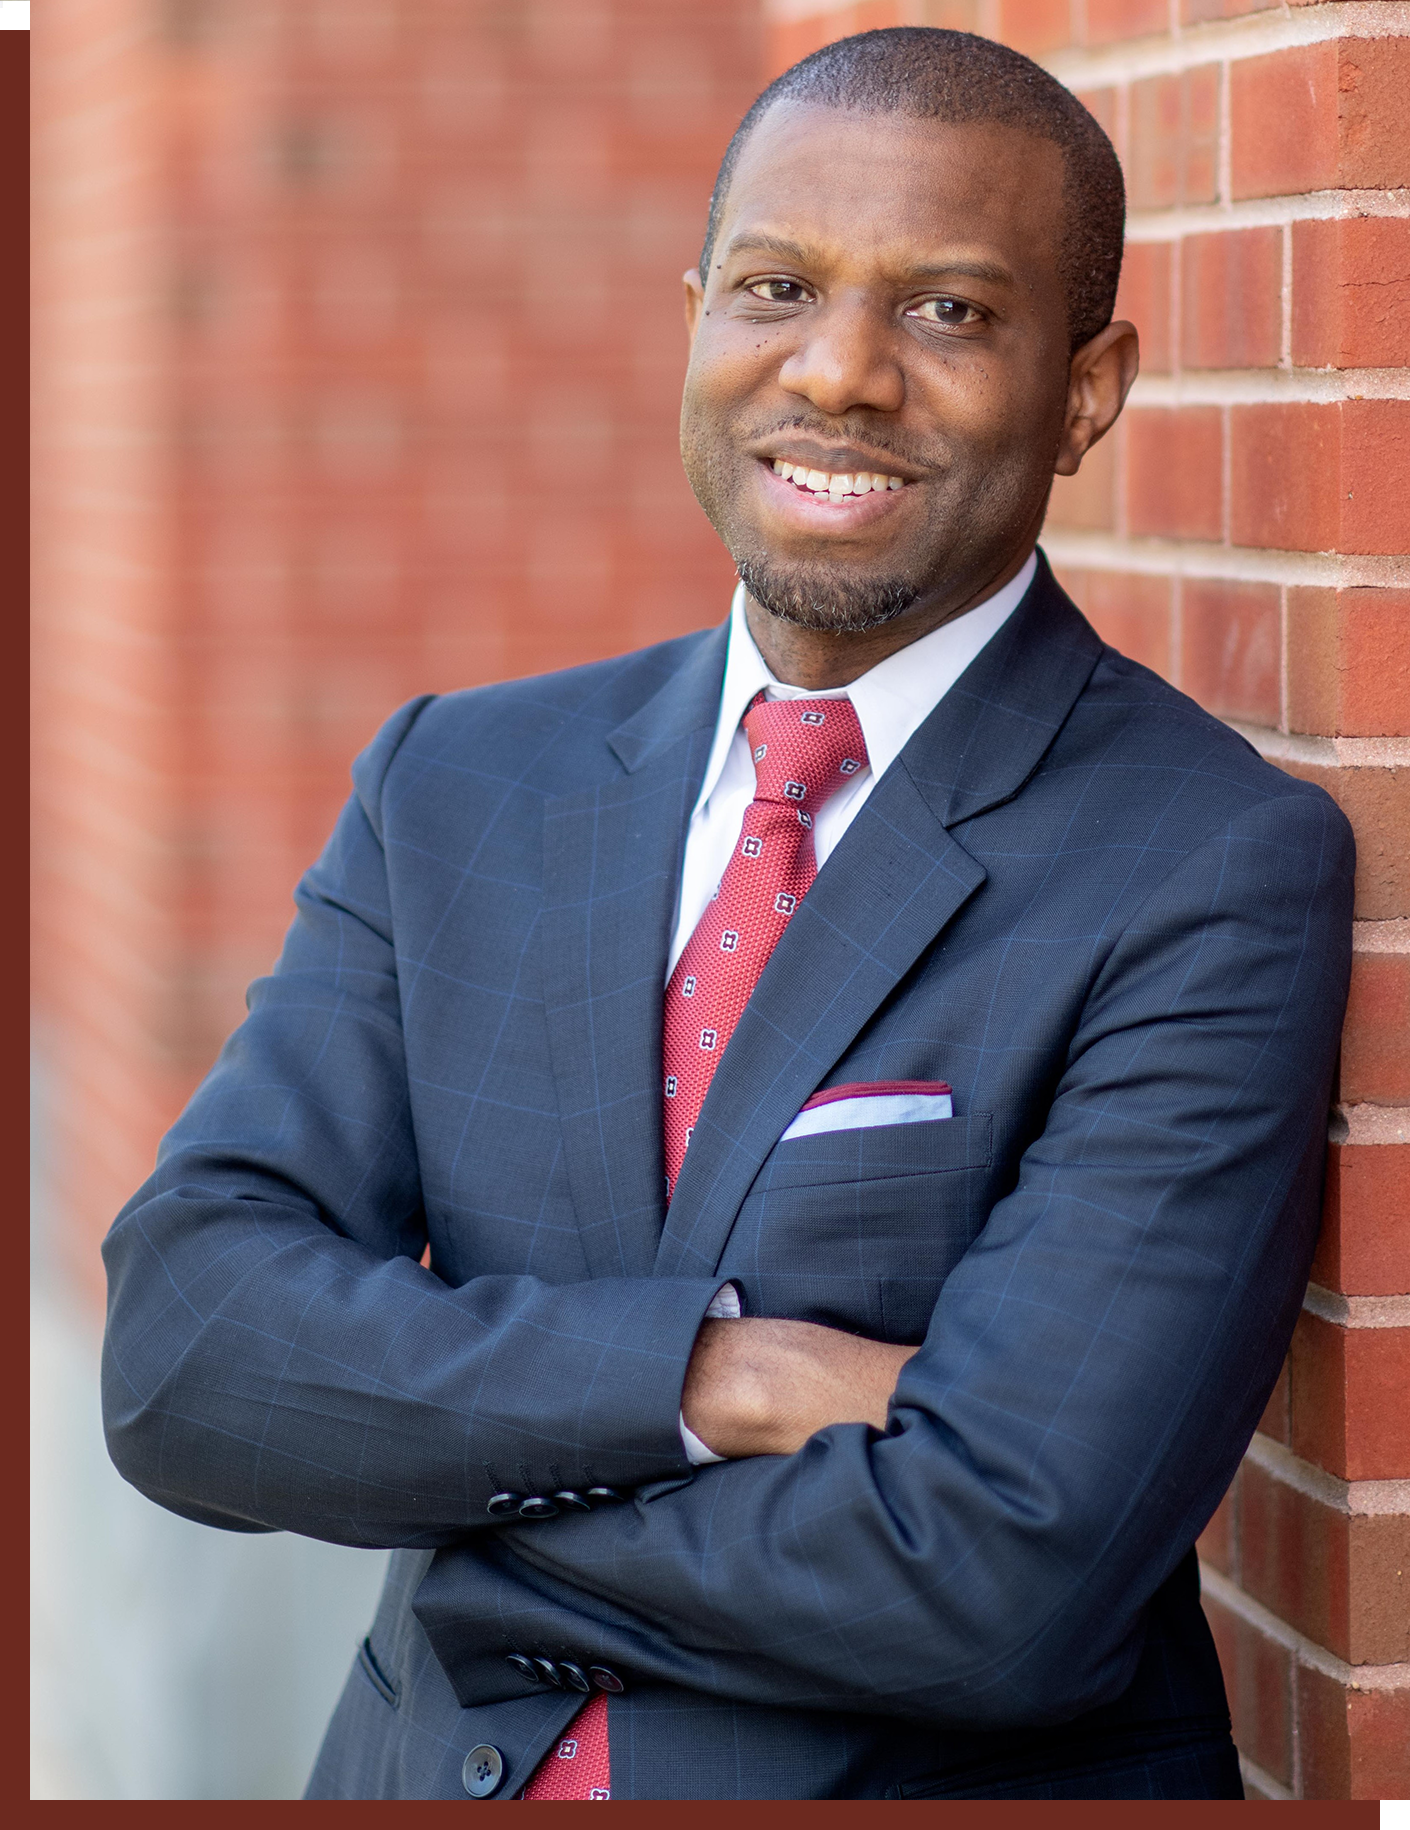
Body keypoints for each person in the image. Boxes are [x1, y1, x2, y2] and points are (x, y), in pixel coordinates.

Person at [101, 28, 1354, 1802]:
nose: (837, 371)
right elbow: (185, 1358)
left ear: (1087, 387)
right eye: (777, 287)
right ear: (694, 314)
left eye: (948, 314)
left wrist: (445, 1501)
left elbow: (1003, 1581)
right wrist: (722, 1374)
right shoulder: (457, 782)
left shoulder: (1202, 863)